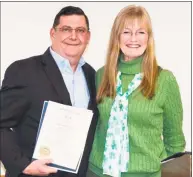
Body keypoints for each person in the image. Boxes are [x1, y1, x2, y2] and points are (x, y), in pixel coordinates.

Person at [87, 5, 185, 177]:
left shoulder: (164, 80)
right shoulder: (102, 75)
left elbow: (175, 141)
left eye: (141, 32)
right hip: (98, 172)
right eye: (126, 32)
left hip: (146, 174)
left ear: (149, 37)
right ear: (117, 37)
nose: (133, 38)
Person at [0, 6, 98, 177]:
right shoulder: (23, 71)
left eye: (80, 30)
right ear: (53, 33)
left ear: (88, 36)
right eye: (66, 29)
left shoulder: (93, 76)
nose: (73, 36)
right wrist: (24, 165)